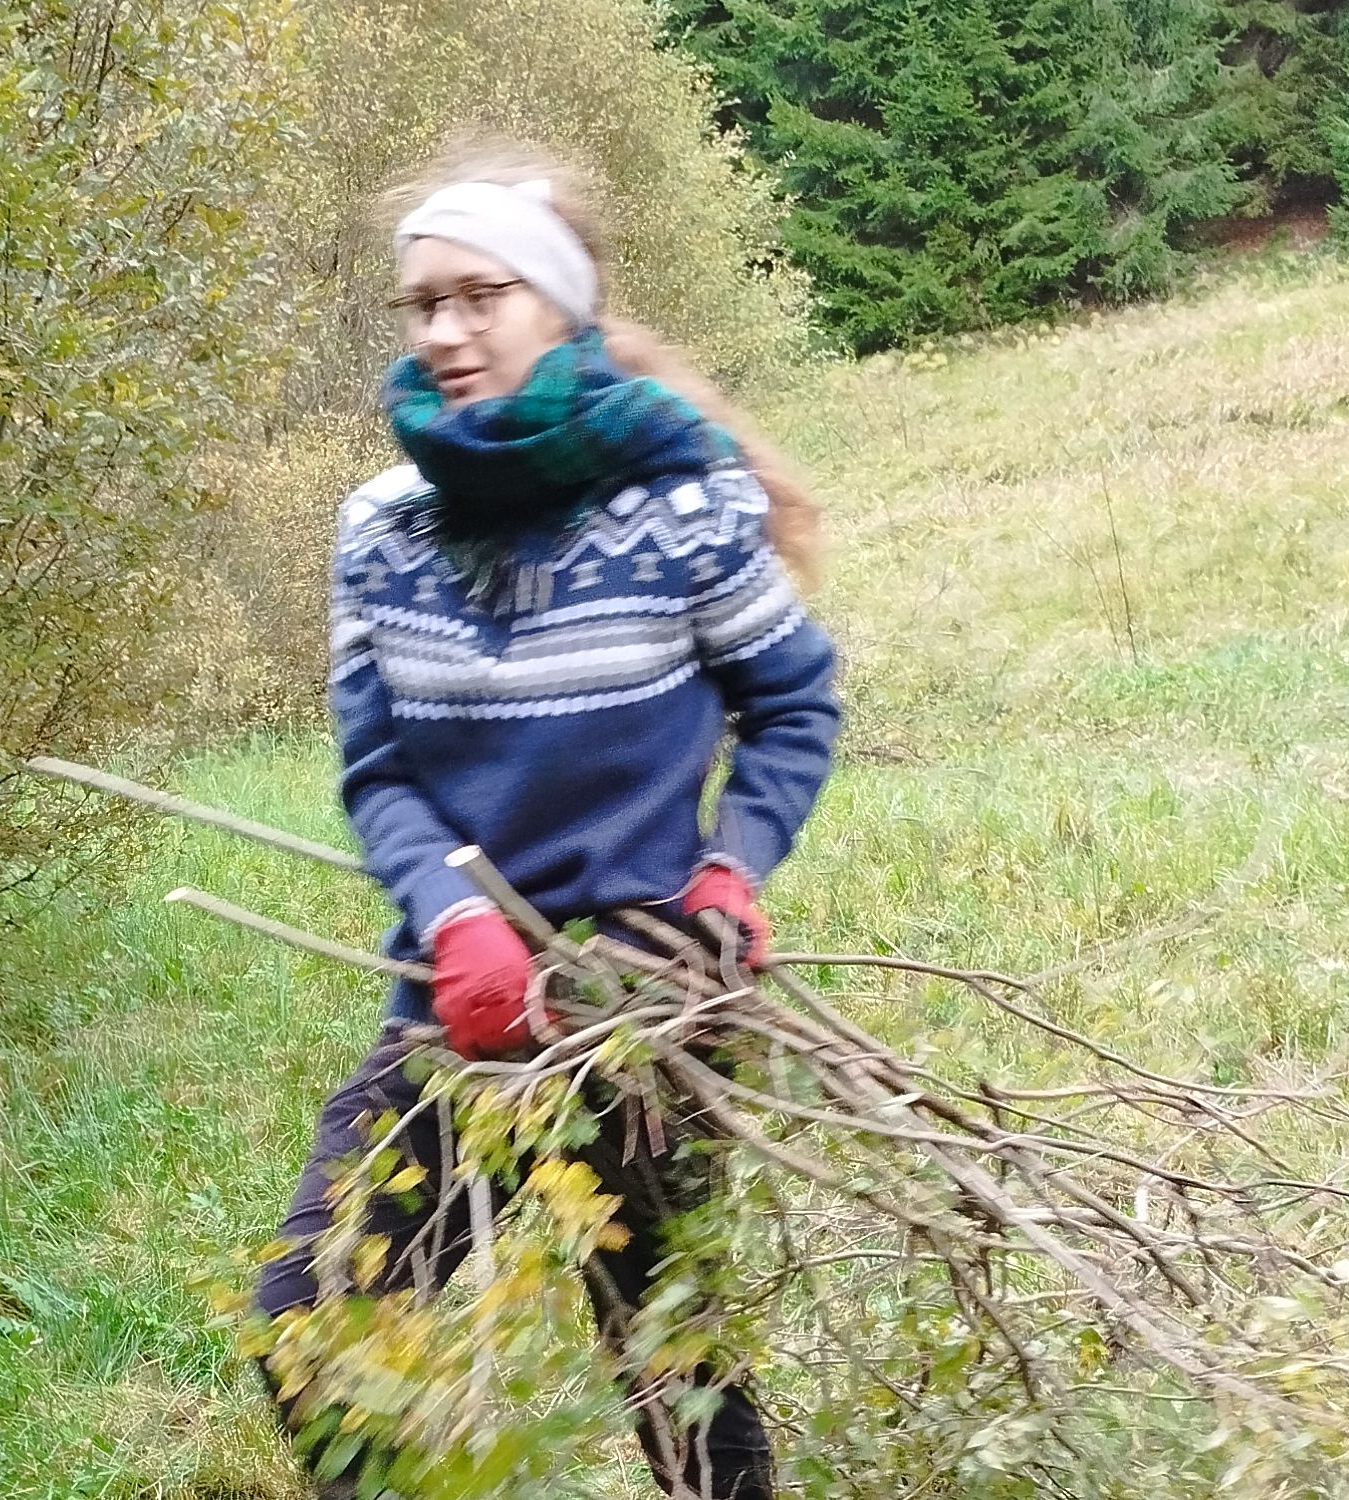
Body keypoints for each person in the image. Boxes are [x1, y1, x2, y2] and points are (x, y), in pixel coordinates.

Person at [248, 143, 841, 1500]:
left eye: (480, 295)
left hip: (653, 993)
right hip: (459, 1003)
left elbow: (794, 705)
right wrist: (453, 913)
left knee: (669, 1355)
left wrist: (731, 871)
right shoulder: (380, 528)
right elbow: (376, 771)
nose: (445, 330)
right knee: (314, 1314)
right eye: (421, 304)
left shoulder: (685, 508)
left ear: (559, 306)